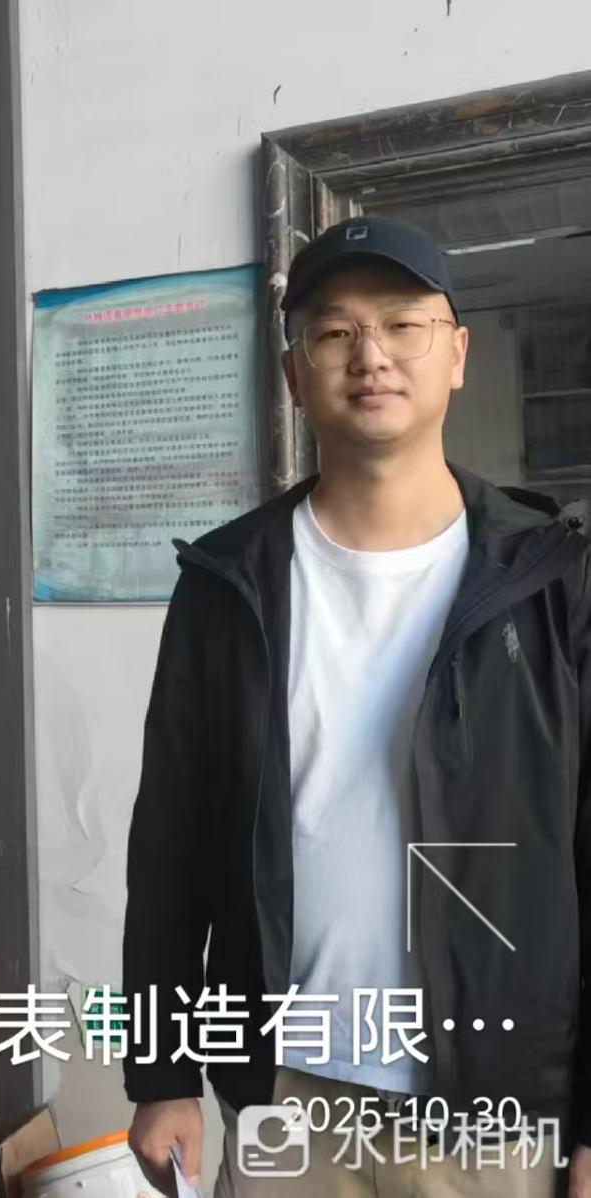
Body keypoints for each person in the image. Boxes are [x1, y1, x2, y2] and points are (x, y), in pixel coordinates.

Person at [123, 216, 591, 1197]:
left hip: (496, 1111)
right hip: (286, 1099)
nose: (369, 354)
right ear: (293, 374)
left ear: (455, 354)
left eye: (402, 324)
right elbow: (168, 848)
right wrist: (160, 1075)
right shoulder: (225, 586)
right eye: (333, 331)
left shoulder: (553, 580)